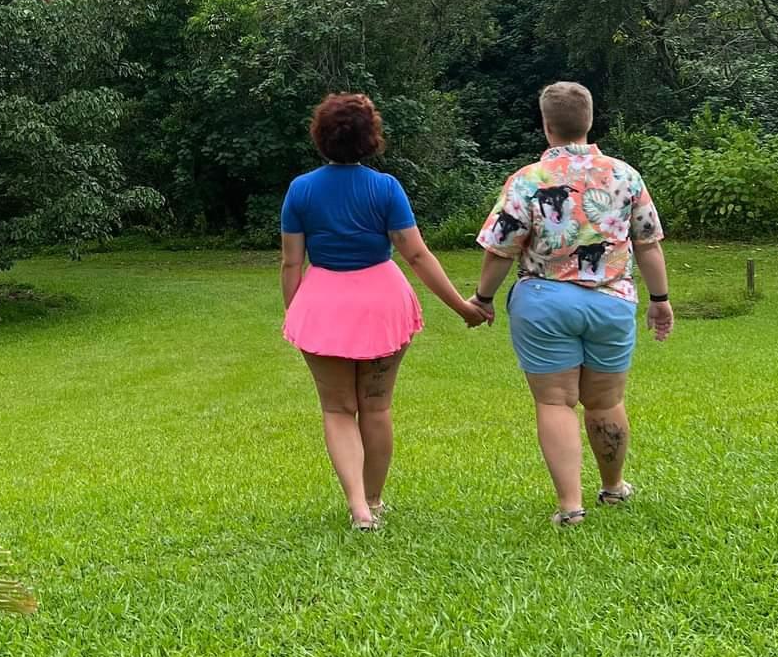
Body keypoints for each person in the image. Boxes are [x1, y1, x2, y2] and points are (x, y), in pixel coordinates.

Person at [281, 92, 492, 530]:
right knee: (375, 409)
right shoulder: (385, 187)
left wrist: (296, 315)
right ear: (371, 139)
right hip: (383, 302)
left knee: (338, 410)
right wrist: (462, 307)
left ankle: (357, 507)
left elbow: (291, 263)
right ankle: (374, 502)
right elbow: (417, 256)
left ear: (320, 137)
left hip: (323, 306)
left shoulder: (300, 189)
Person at [470, 81, 673, 526]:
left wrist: (482, 298)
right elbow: (649, 244)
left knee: (556, 403)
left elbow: (499, 248)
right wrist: (659, 299)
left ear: (546, 126)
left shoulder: (527, 181)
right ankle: (613, 489)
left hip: (543, 302)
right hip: (611, 301)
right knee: (604, 401)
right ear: (590, 121)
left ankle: (569, 506)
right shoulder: (625, 176)